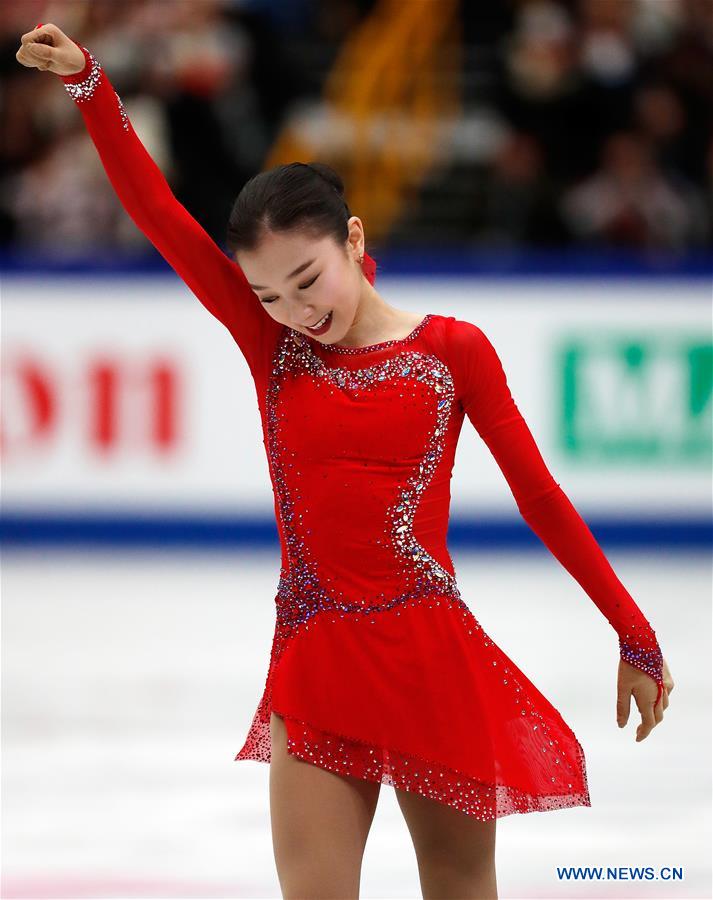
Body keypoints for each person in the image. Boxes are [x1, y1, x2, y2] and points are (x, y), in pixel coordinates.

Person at [16, 23, 674, 900]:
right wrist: (91, 84)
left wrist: (632, 632)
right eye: (265, 294)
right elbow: (159, 217)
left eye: (307, 279)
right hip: (316, 663)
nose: (292, 310)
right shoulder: (271, 348)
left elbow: (540, 497)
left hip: (431, 663)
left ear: (353, 240)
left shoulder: (452, 352)